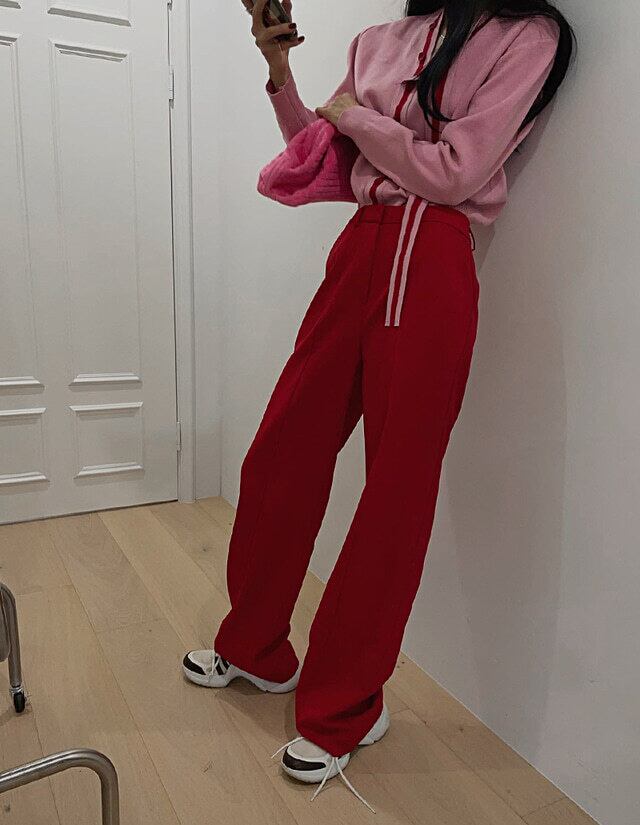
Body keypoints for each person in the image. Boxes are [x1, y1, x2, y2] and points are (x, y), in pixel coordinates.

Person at [183, 0, 575, 810]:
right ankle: (257, 647)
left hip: (432, 252)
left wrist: (357, 116)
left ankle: (346, 708)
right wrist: (282, 74)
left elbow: (455, 172)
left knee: (394, 491)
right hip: (361, 246)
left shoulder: (527, 37)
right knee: (282, 450)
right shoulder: (378, 41)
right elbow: (323, 155)